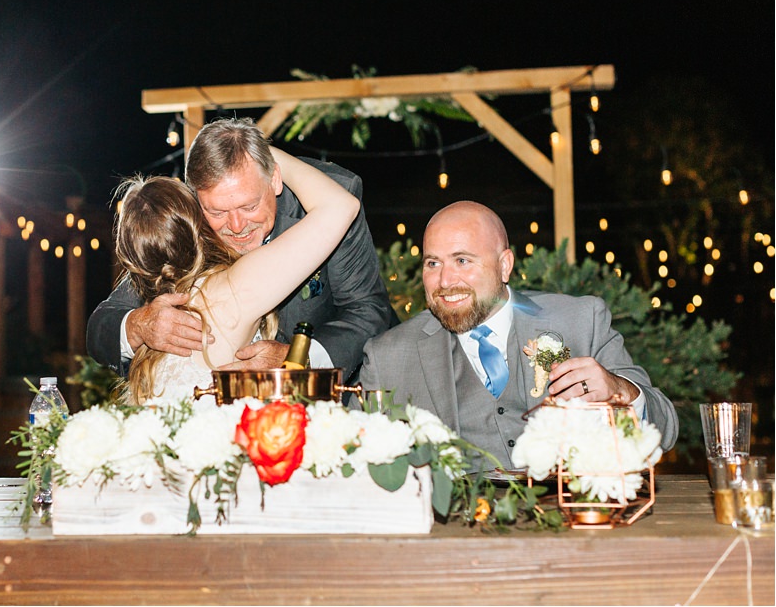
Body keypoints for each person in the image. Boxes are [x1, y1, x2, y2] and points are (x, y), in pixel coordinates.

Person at [357, 201, 679, 471]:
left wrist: (620, 391)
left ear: (504, 265)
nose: (444, 280)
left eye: (462, 260)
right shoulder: (388, 358)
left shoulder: (581, 321)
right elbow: (358, 465)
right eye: (432, 263)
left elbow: (665, 430)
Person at [87, 119, 398, 386]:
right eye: (218, 211)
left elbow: (368, 312)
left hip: (328, 403)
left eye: (249, 206)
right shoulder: (189, 221)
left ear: (275, 179)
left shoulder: (327, 201)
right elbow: (104, 321)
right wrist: (138, 325)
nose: (236, 226)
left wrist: (297, 360)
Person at [109, 148, 359, 405]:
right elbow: (341, 206)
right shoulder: (231, 290)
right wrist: (263, 151)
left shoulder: (153, 328)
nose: (236, 225)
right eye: (217, 212)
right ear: (200, 223)